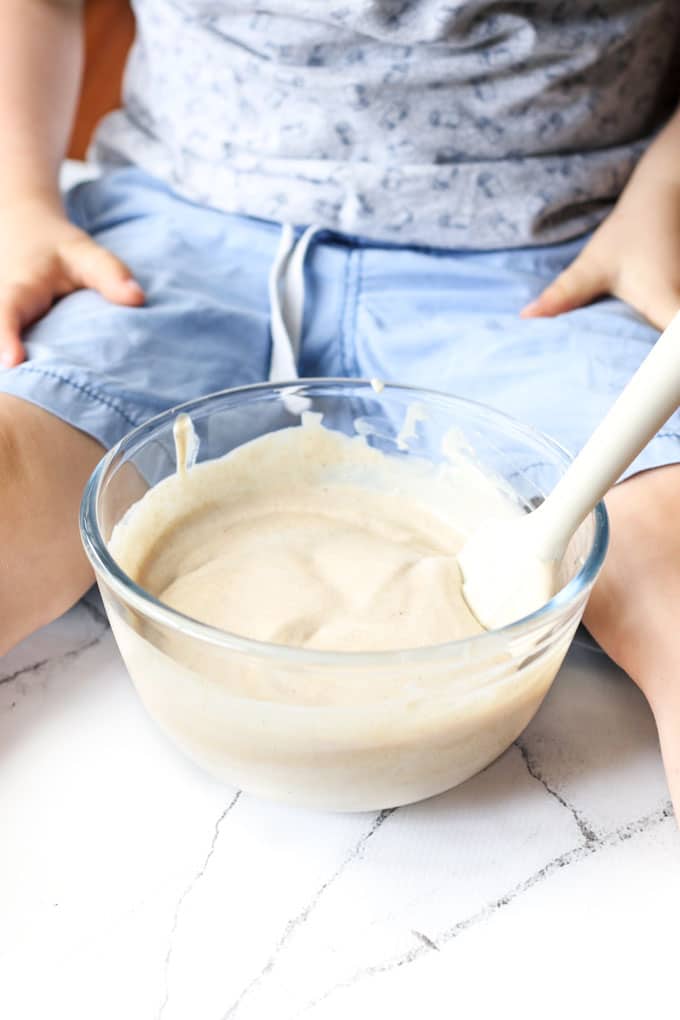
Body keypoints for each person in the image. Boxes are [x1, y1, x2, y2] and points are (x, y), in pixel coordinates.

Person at [0, 0, 679, 809]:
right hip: (169, 231)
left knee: (664, 553)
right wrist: (17, 201)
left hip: (556, 251)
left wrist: (664, 195)